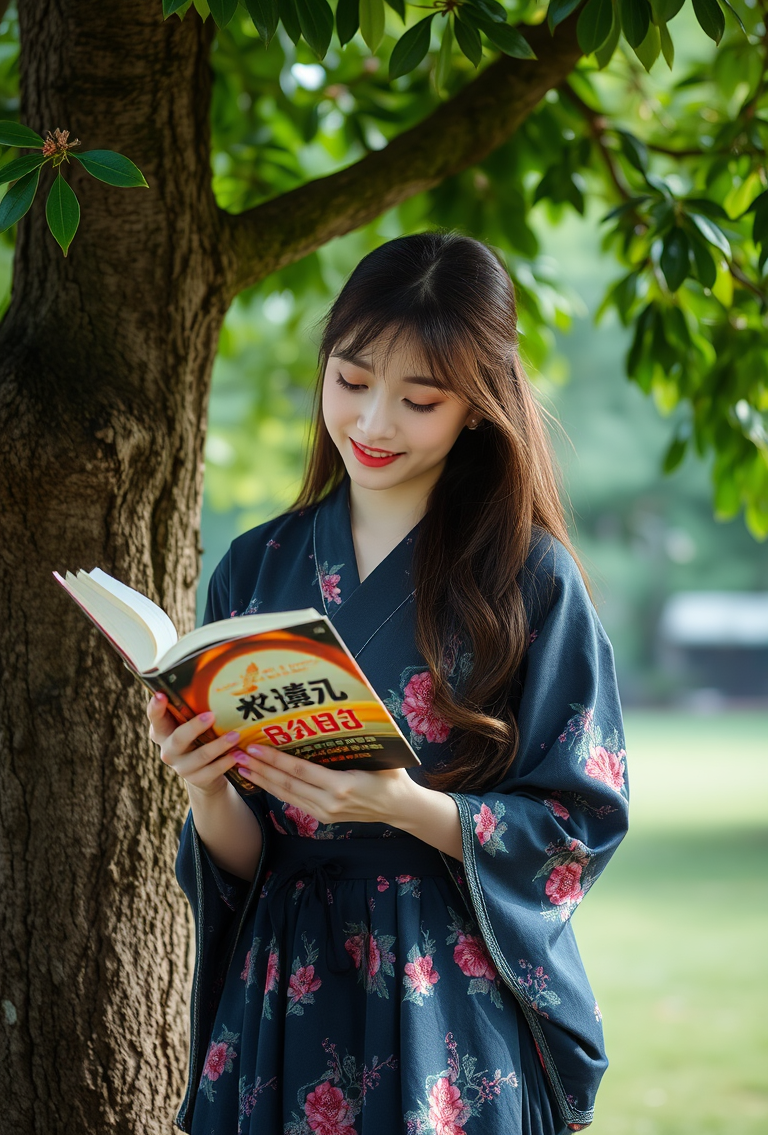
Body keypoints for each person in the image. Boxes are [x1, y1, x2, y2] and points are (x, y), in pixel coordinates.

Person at [148, 232, 629, 1135]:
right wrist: (205, 785)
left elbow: (580, 824)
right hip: (282, 980)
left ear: (477, 408)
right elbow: (249, 855)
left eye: (419, 399)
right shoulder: (257, 567)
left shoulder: (530, 578)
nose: (372, 424)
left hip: (441, 992)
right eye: (351, 380)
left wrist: (404, 806)